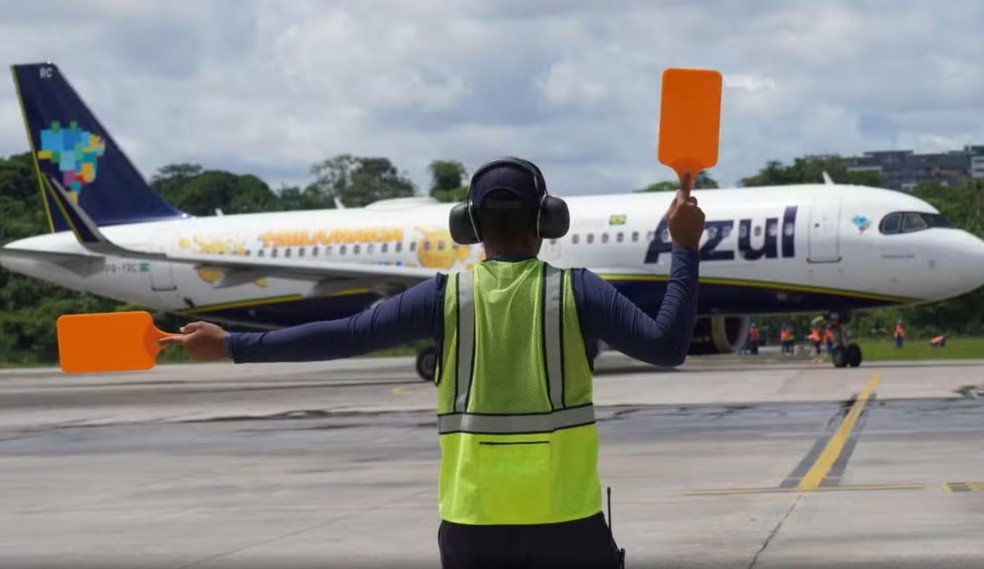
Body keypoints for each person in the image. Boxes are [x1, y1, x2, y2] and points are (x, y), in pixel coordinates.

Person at [159, 156, 705, 569]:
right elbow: (667, 346)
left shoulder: (444, 296)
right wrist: (684, 249)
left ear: (468, 223)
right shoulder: (576, 291)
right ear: (548, 221)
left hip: (473, 524)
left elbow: (343, 335)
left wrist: (232, 344)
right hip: (566, 522)